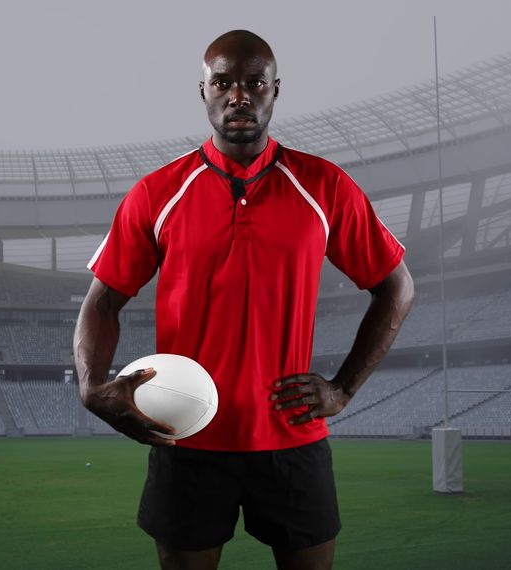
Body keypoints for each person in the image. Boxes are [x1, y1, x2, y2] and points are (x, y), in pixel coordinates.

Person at [73, 29, 414, 570]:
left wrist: (344, 388)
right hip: (184, 437)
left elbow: (397, 287)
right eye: (223, 82)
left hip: (291, 434)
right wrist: (91, 387)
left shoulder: (324, 187)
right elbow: (102, 300)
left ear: (275, 90)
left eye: (254, 82)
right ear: (203, 91)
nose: (239, 95)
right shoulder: (157, 194)